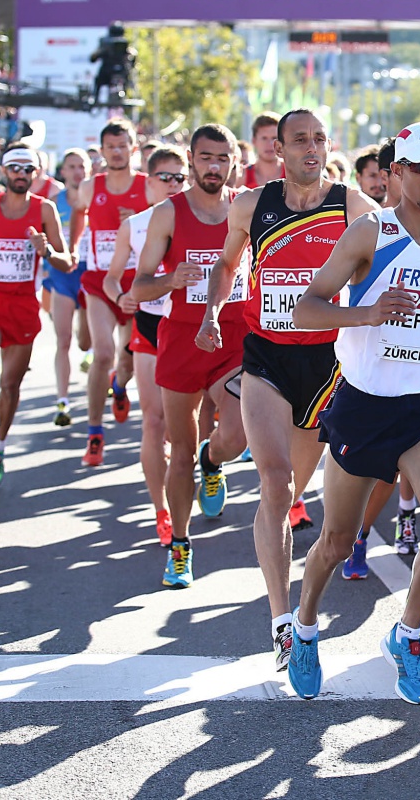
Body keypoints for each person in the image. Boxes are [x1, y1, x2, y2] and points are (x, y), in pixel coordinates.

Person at [286, 121, 420, 703]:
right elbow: (306, 309)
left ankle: (408, 637)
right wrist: (367, 315)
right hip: (364, 404)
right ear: (396, 173)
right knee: (337, 541)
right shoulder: (371, 231)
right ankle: (304, 627)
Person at [207, 108, 376, 669]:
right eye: (300, 139)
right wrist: (212, 312)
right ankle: (283, 624)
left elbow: (394, 262)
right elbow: (227, 264)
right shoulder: (250, 206)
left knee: (295, 490)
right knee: (275, 485)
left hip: (328, 365)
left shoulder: (352, 206)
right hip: (267, 358)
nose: (312, 148)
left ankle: (298, 612)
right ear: (277, 149)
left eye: (319, 139)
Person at [133, 125, 250, 588]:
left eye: (222, 158)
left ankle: (214, 459)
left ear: (234, 161)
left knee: (237, 435)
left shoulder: (247, 207)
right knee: (179, 452)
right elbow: (139, 286)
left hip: (234, 338)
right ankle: (180, 547)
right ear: (191, 159)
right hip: (182, 339)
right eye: (205, 158)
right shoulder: (168, 214)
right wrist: (171, 280)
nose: (214, 167)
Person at [0, 145, 74, 486]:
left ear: (36, 174)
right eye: (15, 168)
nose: (21, 174)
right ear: (3, 171)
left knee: (11, 384)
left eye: (28, 169)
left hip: (24, 305)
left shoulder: (44, 209)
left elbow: (66, 262)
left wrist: (48, 251)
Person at [104, 146, 188, 547]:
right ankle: (162, 511)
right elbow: (112, 277)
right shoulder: (134, 226)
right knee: (153, 422)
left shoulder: (205, 218)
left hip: (191, 328)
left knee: (188, 426)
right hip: (150, 326)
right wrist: (121, 297)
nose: (172, 185)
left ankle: (208, 467)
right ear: (148, 182)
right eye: (165, 178)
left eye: (179, 178)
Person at [76, 118, 147, 466]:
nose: (117, 152)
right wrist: (71, 250)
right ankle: (94, 434)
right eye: (110, 147)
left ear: (133, 149)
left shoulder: (148, 187)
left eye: (122, 146)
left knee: (127, 360)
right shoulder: (91, 187)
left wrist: (137, 218)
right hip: (100, 282)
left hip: (138, 284)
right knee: (102, 353)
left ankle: (119, 386)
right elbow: (79, 217)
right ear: (102, 151)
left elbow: (163, 225)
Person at [44, 148, 91, 427]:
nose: (77, 172)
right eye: (72, 167)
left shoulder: (96, 200)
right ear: (63, 172)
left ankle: (96, 362)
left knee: (86, 341)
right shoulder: (52, 203)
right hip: (62, 275)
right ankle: (62, 400)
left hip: (89, 274)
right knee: (63, 340)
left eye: (81, 166)